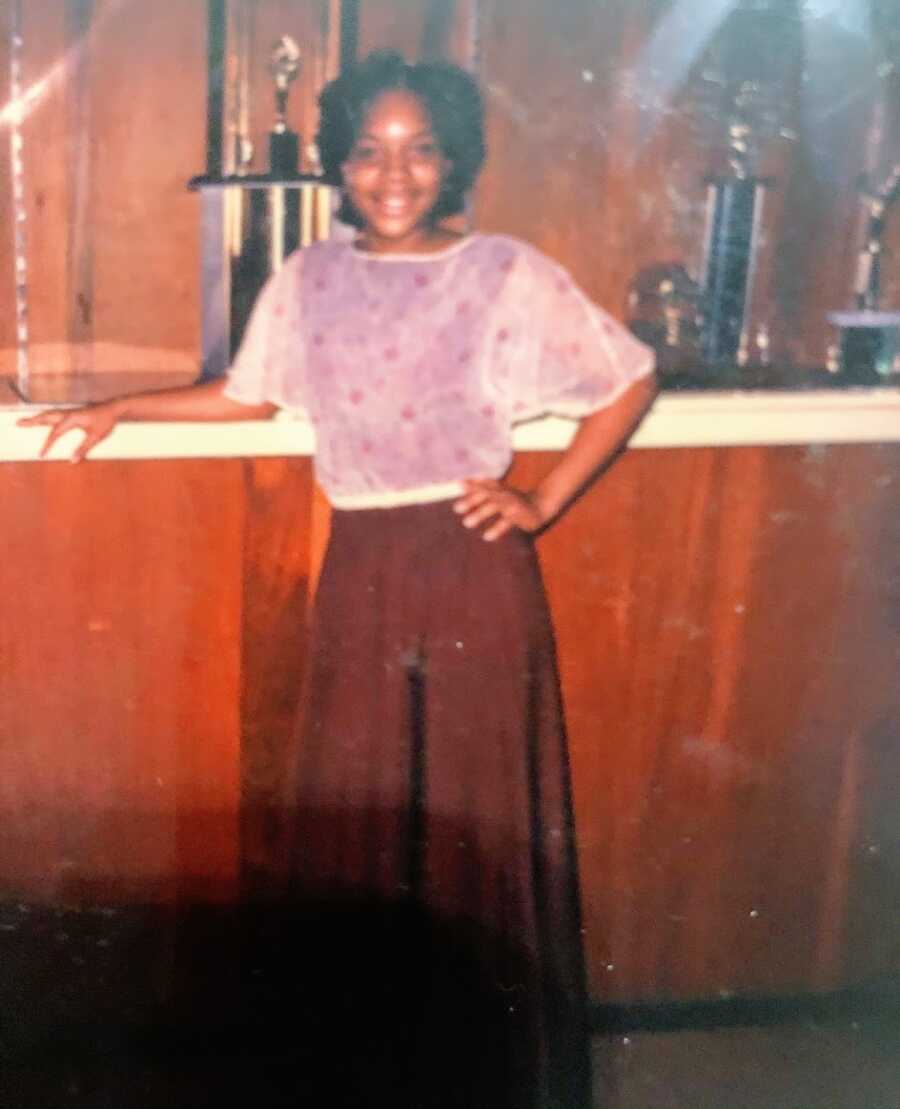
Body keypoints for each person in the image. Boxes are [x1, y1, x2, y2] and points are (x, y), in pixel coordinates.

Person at [21, 50, 656, 1109]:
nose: (392, 173)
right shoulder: (311, 277)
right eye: (369, 150)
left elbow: (627, 375)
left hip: (470, 572)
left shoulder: (504, 270)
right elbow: (246, 395)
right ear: (339, 164)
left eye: (419, 151)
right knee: (355, 835)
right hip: (360, 570)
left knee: (474, 825)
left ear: (454, 162)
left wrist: (542, 502)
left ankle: (490, 1079)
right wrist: (119, 406)